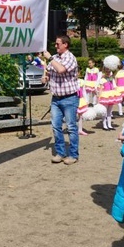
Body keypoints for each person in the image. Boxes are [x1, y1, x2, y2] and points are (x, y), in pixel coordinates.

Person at [41, 35, 80, 165]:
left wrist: (50, 58)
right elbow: (50, 71)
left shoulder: (70, 58)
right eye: (55, 44)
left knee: (71, 127)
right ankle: (60, 153)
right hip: (56, 98)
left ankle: (73, 154)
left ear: (65, 45)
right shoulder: (55, 58)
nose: (55, 46)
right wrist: (46, 77)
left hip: (70, 98)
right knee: (56, 126)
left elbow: (61, 69)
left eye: (58, 44)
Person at [98, 56, 122, 130]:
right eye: (107, 70)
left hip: (111, 95)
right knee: (104, 111)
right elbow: (101, 89)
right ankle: (104, 124)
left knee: (109, 111)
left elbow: (114, 86)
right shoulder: (102, 79)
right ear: (105, 71)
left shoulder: (112, 79)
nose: (108, 72)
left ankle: (109, 124)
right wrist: (99, 97)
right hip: (105, 95)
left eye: (109, 70)